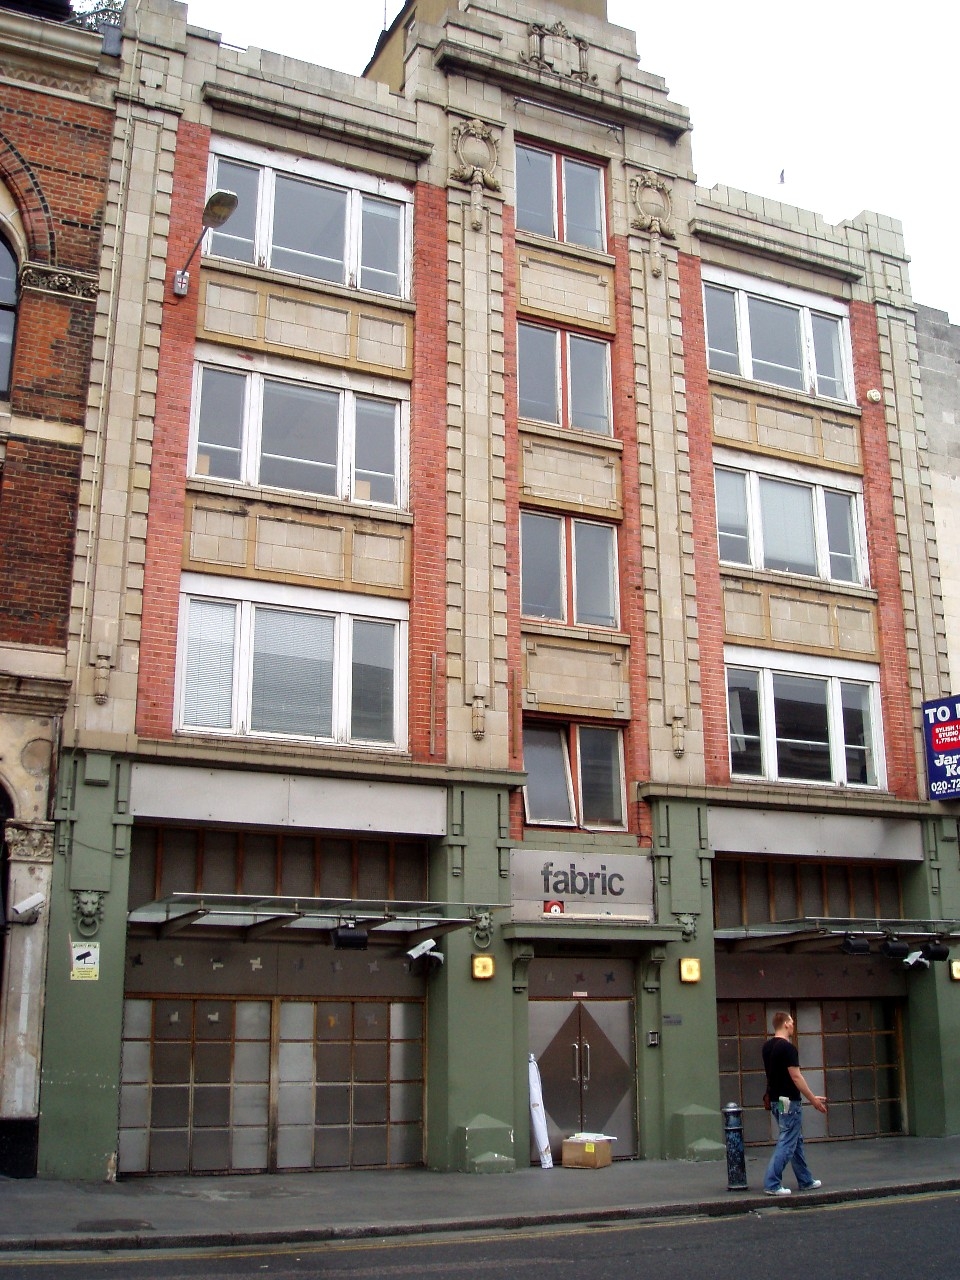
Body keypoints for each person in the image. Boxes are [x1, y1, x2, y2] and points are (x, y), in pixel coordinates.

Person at [761, 1010, 827, 1196]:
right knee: (788, 1139)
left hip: (777, 1100)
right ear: (786, 1024)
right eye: (792, 1021)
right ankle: (772, 1183)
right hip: (789, 1100)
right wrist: (813, 1100)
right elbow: (796, 1077)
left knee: (794, 1139)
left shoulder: (767, 1047)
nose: (793, 1025)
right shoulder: (788, 1048)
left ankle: (805, 1180)